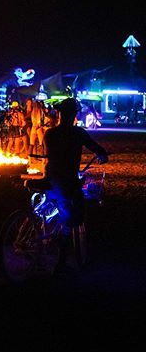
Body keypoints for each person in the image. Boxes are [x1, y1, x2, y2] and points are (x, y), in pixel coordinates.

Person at [44, 97, 109, 271]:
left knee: (57, 203)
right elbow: (95, 147)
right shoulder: (77, 133)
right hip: (67, 178)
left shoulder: (49, 133)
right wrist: (102, 154)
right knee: (73, 214)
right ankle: (62, 259)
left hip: (50, 176)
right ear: (74, 115)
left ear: (59, 114)